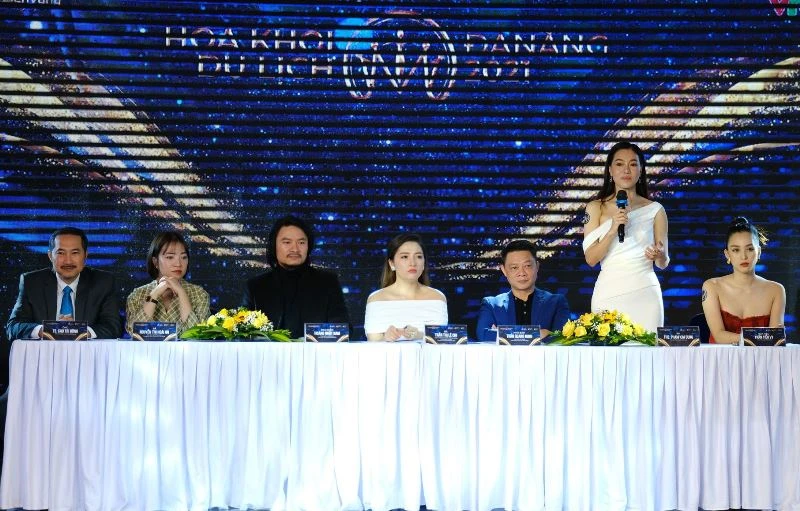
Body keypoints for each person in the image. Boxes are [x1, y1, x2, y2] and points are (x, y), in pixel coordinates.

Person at [582, 141, 669, 332]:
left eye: (633, 164)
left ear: (641, 170)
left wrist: (659, 254)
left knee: (648, 349)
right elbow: (591, 259)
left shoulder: (655, 210)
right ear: (610, 170)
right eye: (620, 164)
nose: (626, 170)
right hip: (608, 293)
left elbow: (663, 262)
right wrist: (613, 229)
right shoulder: (596, 207)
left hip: (646, 294)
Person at [5, 226, 122, 340]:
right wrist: (44, 330)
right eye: (61, 253)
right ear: (50, 256)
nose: (68, 261)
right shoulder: (31, 282)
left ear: (85, 256)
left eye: (75, 253)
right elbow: (13, 327)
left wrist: (80, 331)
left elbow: (113, 327)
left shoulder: (103, 282)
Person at [242, 215, 349, 339]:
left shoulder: (327, 283)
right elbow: (241, 332)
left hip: (314, 352)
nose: (295, 249)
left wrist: (307, 340)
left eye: (301, 242)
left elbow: (342, 329)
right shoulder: (256, 286)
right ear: (273, 246)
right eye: (287, 242)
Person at [701, 217, 785, 344]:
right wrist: (758, 338)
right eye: (736, 250)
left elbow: (774, 341)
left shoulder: (776, 290)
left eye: (750, 249)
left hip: (761, 357)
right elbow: (719, 335)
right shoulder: (711, 286)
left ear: (759, 252)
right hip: (721, 356)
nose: (743, 256)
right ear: (727, 254)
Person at [476, 239, 570, 342]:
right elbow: (483, 335)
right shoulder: (492, 305)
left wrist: (501, 333)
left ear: (537, 266)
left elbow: (562, 338)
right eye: (514, 267)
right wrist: (538, 333)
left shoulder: (556, 302)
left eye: (527, 266)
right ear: (504, 270)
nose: (522, 273)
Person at [364, 233, 448, 341]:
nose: (412, 263)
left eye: (418, 257)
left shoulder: (437, 297)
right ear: (392, 263)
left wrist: (418, 335)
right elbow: (372, 340)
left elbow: (441, 339)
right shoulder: (376, 299)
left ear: (424, 263)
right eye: (405, 257)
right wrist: (385, 336)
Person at [125, 231, 210, 335]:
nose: (178, 264)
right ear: (155, 262)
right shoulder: (138, 295)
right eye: (170, 257)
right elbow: (135, 333)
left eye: (184, 257)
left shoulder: (199, 294)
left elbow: (197, 335)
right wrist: (154, 294)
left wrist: (181, 293)